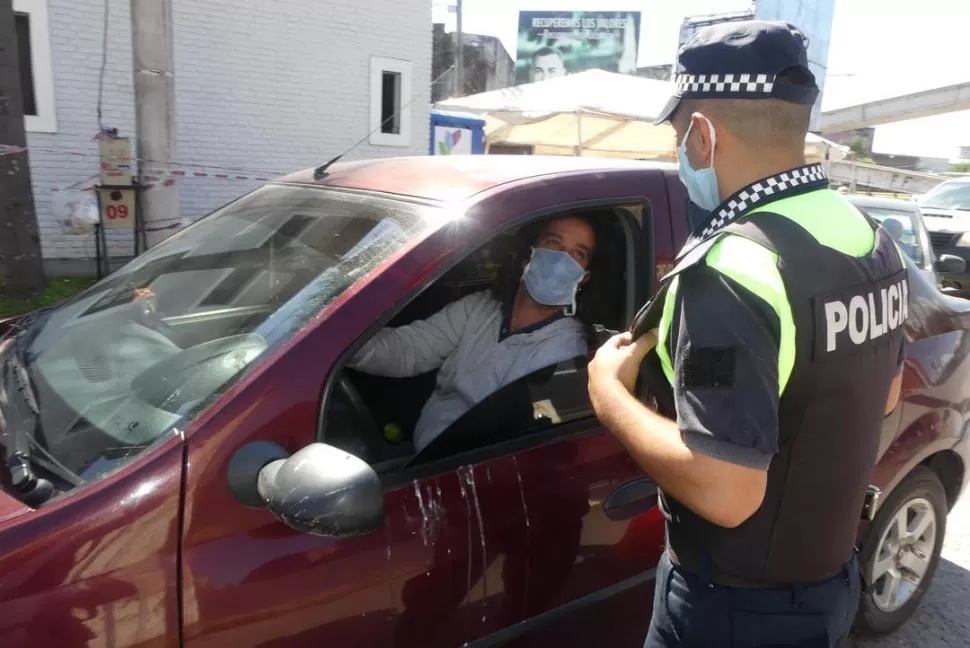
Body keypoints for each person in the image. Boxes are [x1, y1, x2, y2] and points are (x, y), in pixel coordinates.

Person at [587, 20, 908, 647]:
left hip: (733, 611)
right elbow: (885, 395)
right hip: (832, 585)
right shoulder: (867, 236)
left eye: (680, 134)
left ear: (703, 135)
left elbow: (726, 490)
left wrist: (609, 396)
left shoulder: (732, 270)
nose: (679, 151)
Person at [349, 214, 600, 453]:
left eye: (578, 254)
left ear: (583, 278)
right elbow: (410, 349)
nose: (561, 260)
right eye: (553, 242)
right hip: (422, 449)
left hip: (463, 468)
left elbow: (506, 431)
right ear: (528, 257)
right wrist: (344, 344)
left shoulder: (567, 348)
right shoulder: (481, 307)